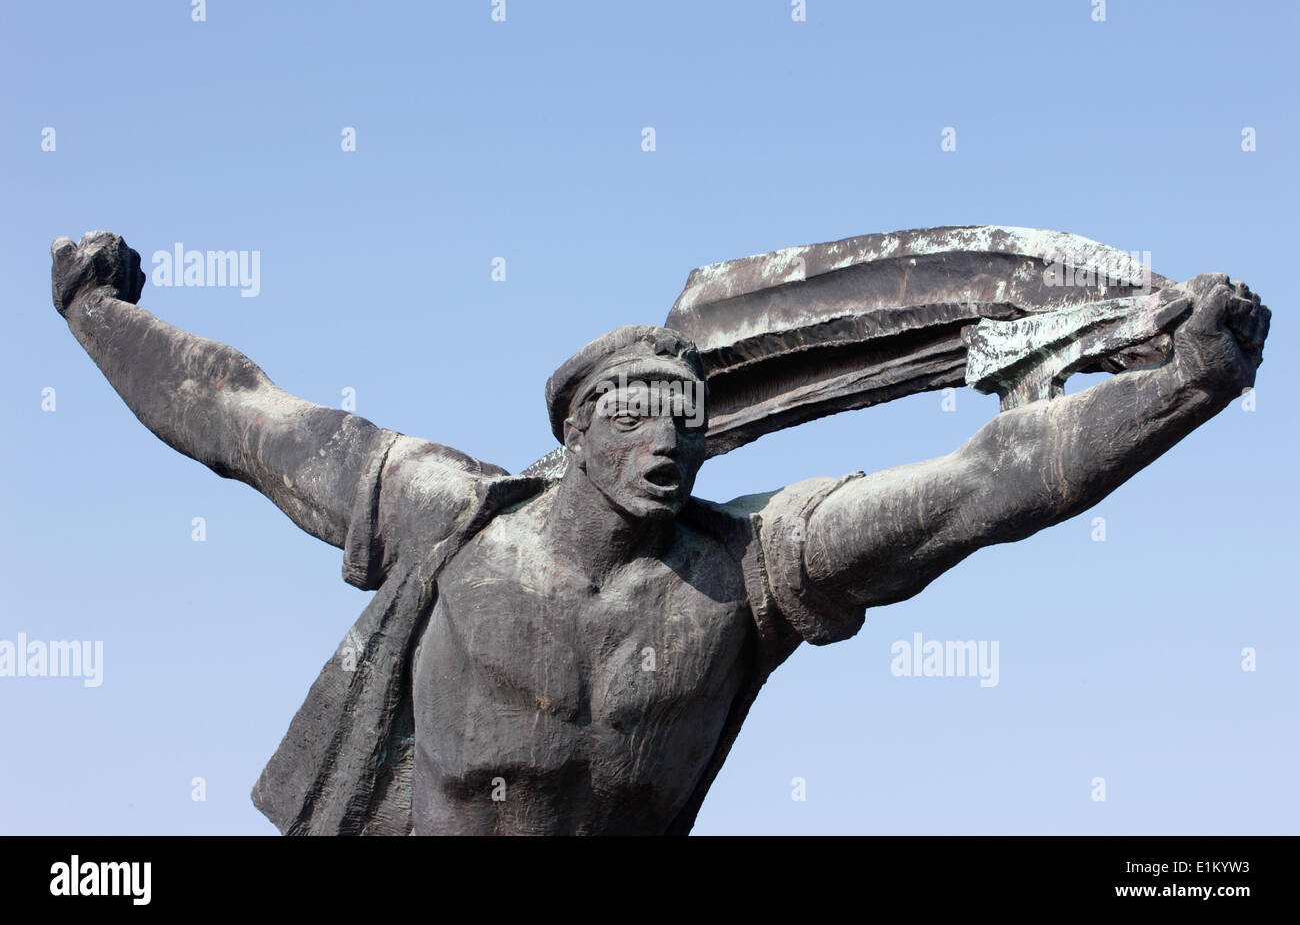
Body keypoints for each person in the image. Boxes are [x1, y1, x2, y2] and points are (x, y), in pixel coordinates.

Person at [51, 231, 1269, 834]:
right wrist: (98, 312)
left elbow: (979, 486)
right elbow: (245, 419)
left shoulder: (746, 563)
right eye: (637, 416)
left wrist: (1183, 385)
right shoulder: (454, 514)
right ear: (576, 429)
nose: (668, 444)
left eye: (689, 420)